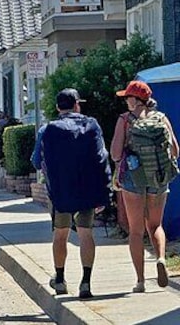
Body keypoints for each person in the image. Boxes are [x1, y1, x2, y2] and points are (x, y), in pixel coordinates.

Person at [32, 88, 111, 299]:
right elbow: (102, 156)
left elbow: (36, 161)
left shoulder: (47, 129)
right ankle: (85, 282)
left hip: (60, 191)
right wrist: (104, 190)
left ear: (58, 107)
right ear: (77, 104)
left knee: (60, 234)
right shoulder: (92, 125)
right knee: (86, 233)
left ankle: (59, 279)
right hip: (87, 189)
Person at [110, 80, 180, 293]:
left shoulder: (125, 120)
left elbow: (114, 153)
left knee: (135, 231)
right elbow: (175, 151)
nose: (126, 102)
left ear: (135, 99)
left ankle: (140, 281)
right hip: (158, 178)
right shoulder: (161, 118)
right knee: (155, 226)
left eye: (127, 98)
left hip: (133, 179)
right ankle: (160, 259)